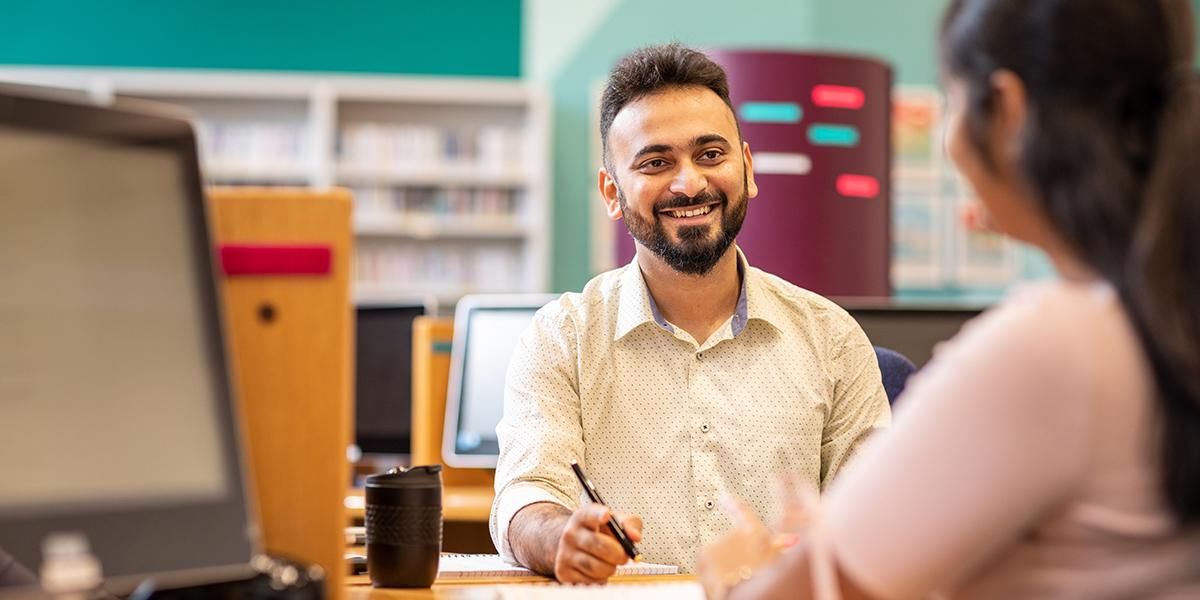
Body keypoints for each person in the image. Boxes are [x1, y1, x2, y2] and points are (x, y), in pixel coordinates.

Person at [697, 0, 1200, 598]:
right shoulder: (1158, 317)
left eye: (953, 100)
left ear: (1007, 110)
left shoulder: (1047, 345)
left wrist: (738, 574)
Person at [489, 43, 892, 582]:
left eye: (710, 155)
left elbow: (878, 518)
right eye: (656, 163)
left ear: (746, 169)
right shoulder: (562, 338)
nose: (689, 183)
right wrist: (561, 535)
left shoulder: (832, 338)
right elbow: (526, 492)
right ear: (612, 192)